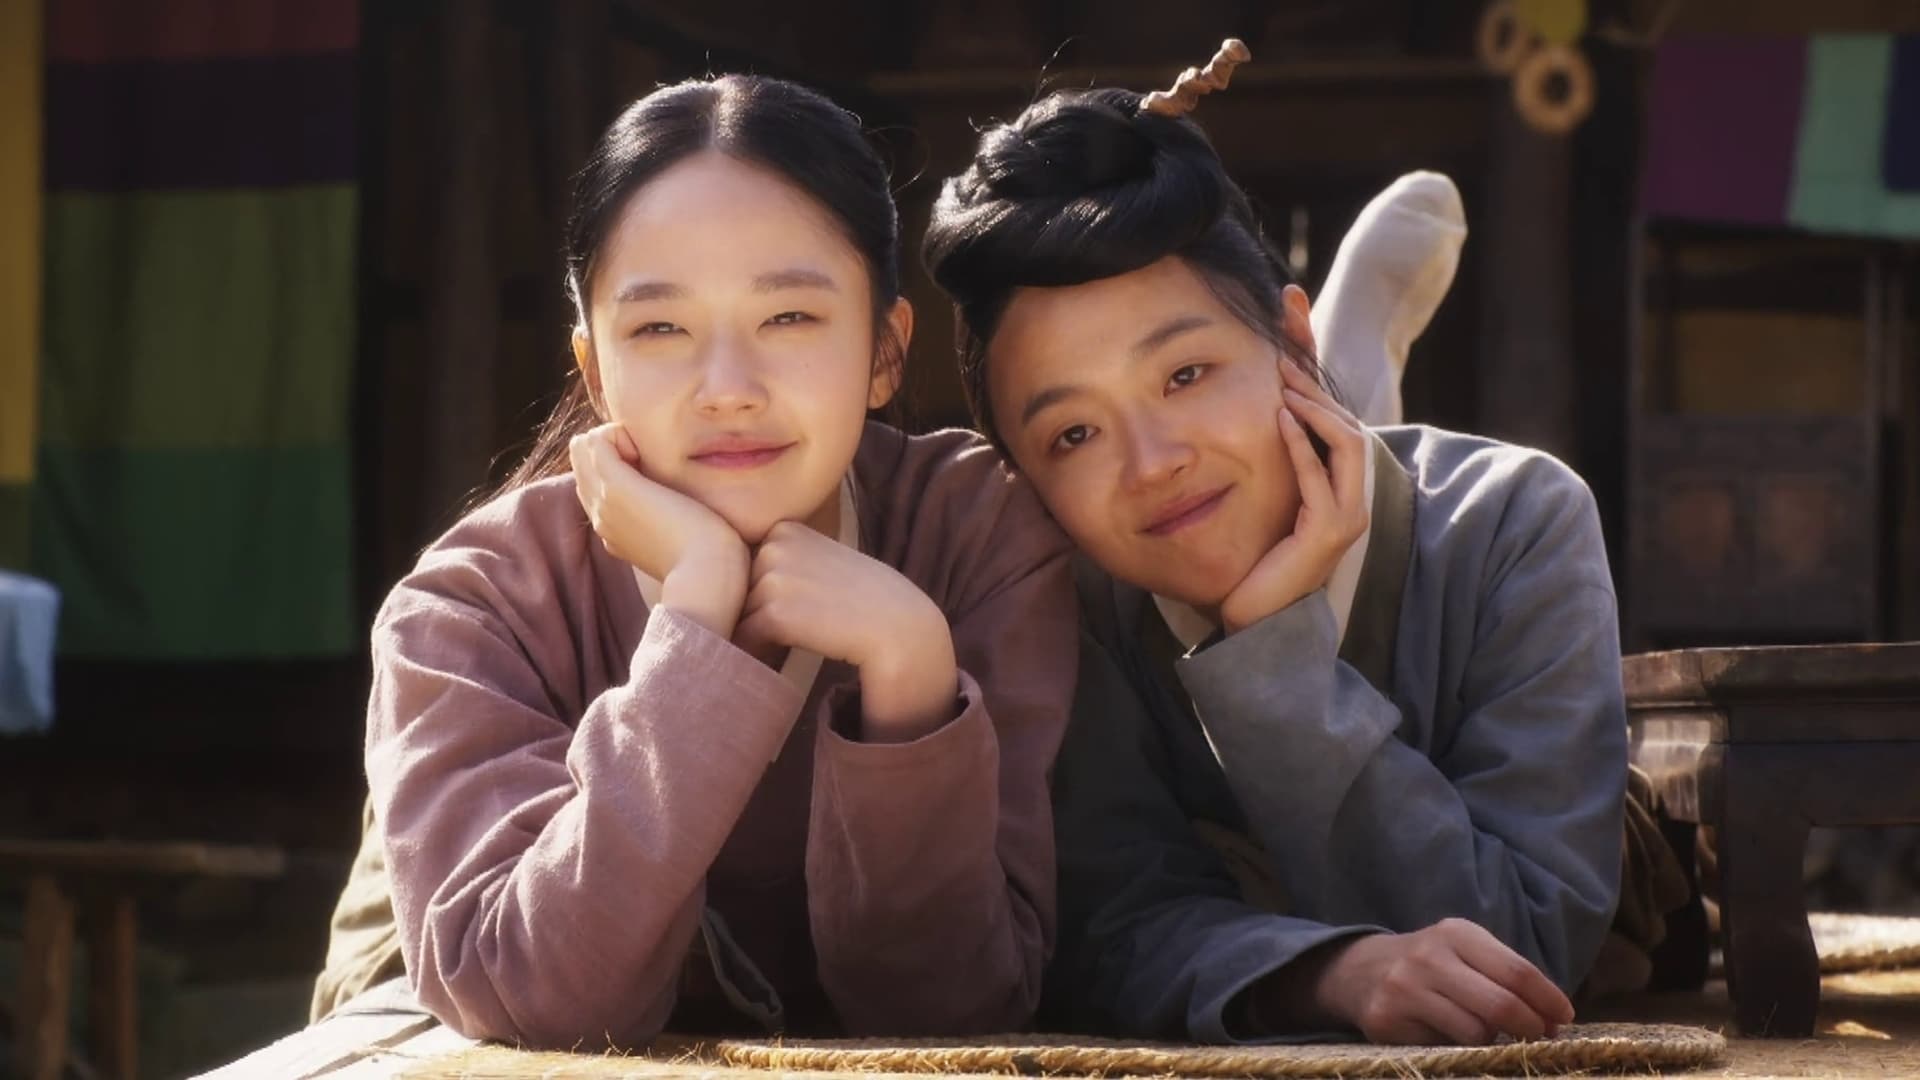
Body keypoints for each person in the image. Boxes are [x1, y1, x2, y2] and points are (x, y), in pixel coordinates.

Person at [921, 43, 1686, 1046]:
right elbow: (1108, 930)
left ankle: (1347, 373)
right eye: (1073, 433)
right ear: (1024, 474)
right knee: (1283, 458)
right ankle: (1344, 373)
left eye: (1185, 374)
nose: (1152, 464)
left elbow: (1522, 945)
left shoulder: (1513, 523)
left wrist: (1271, 650)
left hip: (1627, 882)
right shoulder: (1074, 599)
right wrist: (1325, 975)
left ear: (1287, 338)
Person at [310, 74, 1078, 1048]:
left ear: (886, 351)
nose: (727, 389)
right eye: (660, 328)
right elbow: (533, 1002)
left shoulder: (976, 533)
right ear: (595, 372)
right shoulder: (473, 606)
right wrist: (699, 617)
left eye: (788, 318)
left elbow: (956, 1012)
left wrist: (911, 674)